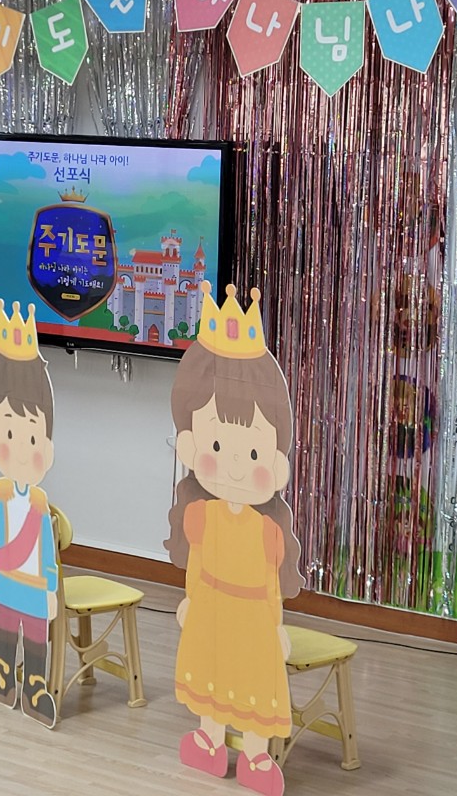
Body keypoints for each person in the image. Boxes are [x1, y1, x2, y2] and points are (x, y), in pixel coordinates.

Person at [165, 283, 304, 796]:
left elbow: (270, 584)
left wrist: (276, 623)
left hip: (252, 616)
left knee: (251, 682)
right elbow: (196, 564)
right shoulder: (201, 515)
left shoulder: (268, 529)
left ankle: (255, 753)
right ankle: (209, 739)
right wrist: (190, 600)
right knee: (211, 673)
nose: (236, 466)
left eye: (253, 453)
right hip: (210, 607)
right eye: (219, 445)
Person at [0, 299, 59, 728]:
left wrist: (51, 587)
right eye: (10, 433)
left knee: (36, 634)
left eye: (31, 437)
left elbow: (46, 550)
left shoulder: (39, 506)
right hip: (6, 581)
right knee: (4, 626)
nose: (22, 449)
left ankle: (36, 685)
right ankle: (2, 670)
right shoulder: (1, 496)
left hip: (35, 586)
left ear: (46, 445)